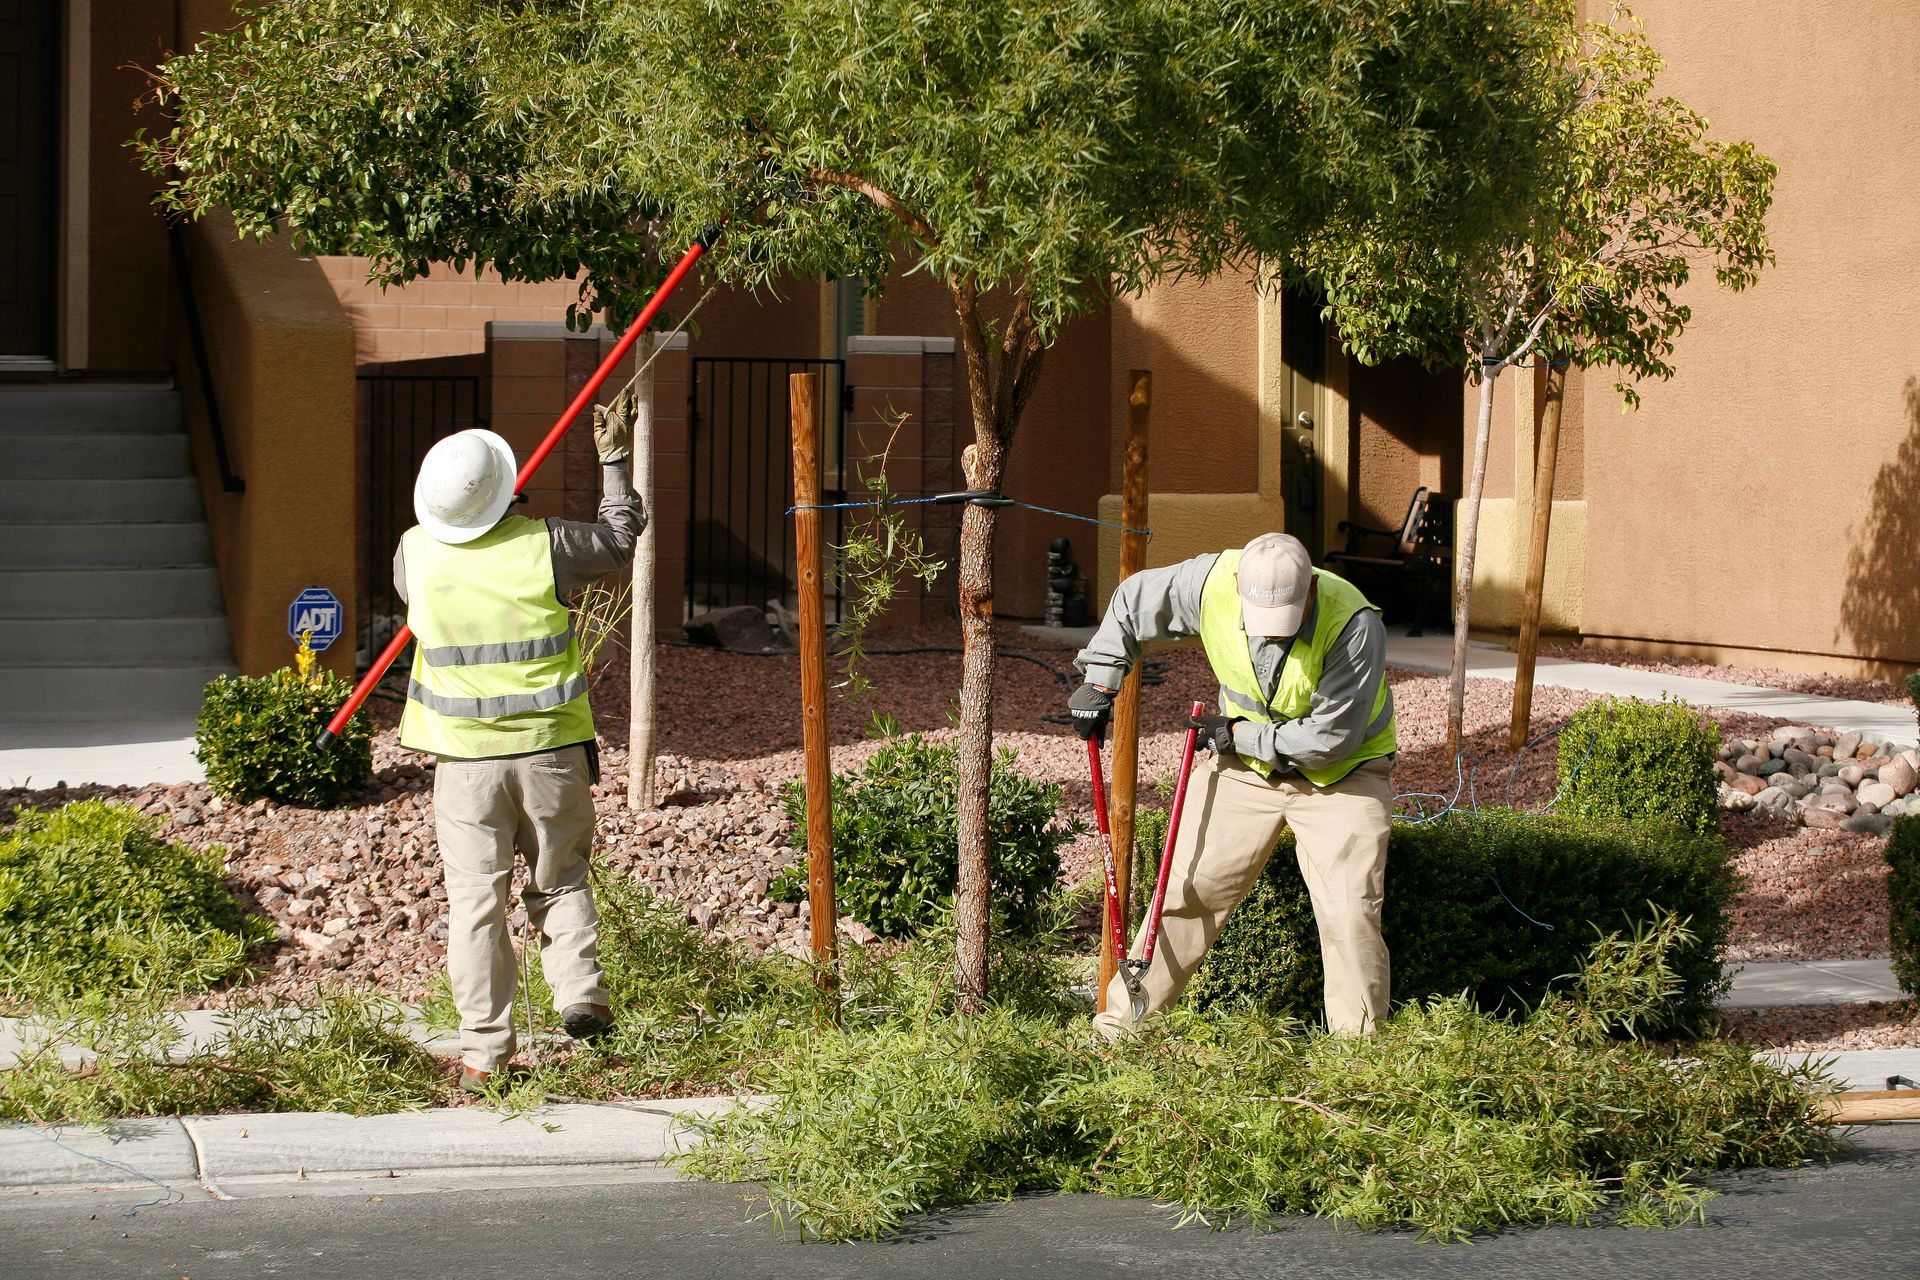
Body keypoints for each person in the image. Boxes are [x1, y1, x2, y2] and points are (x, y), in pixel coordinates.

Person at [394, 396, 643, 1091]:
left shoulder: (412, 555)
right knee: (559, 879)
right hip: (550, 754)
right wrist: (614, 459)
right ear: (510, 491)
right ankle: (579, 994)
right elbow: (620, 537)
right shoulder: (549, 545)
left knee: (476, 903)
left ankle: (483, 1056)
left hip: (464, 767)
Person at [1069, 532, 1396, 1039]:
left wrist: (1239, 733)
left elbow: (1329, 740)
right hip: (1246, 766)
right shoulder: (1211, 582)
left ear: (1310, 588)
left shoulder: (1354, 623)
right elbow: (1134, 599)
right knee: (1185, 892)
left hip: (1342, 775)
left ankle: (1358, 1059)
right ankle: (1121, 1031)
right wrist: (1101, 678)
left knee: (1350, 915)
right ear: (1240, 588)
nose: (1271, 637)